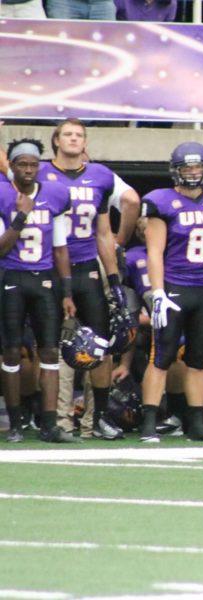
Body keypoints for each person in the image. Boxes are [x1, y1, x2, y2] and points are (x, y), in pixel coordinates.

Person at [39, 118, 139, 441]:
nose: (73, 139)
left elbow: (105, 231)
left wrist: (113, 274)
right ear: (55, 140)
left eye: (79, 135)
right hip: (48, 266)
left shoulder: (99, 175)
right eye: (67, 134)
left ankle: (99, 418)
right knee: (49, 345)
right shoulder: (39, 172)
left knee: (101, 345)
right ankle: (52, 418)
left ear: (86, 143)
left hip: (86, 266)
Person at [138, 142, 203, 443]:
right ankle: (149, 423)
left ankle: (197, 424)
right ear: (175, 171)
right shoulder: (161, 201)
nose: (192, 173)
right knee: (162, 356)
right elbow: (155, 251)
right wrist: (157, 292)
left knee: (199, 358)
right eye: (187, 168)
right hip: (175, 287)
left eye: (197, 167)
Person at [1, 140, 76, 443]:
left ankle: (49, 424)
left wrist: (68, 292)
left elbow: (60, 249)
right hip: (12, 277)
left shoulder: (55, 195)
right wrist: (20, 216)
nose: (29, 170)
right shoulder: (4, 196)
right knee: (11, 351)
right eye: (22, 164)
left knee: (49, 351)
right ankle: (16, 423)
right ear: (13, 167)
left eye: (33, 165)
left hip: (44, 279)